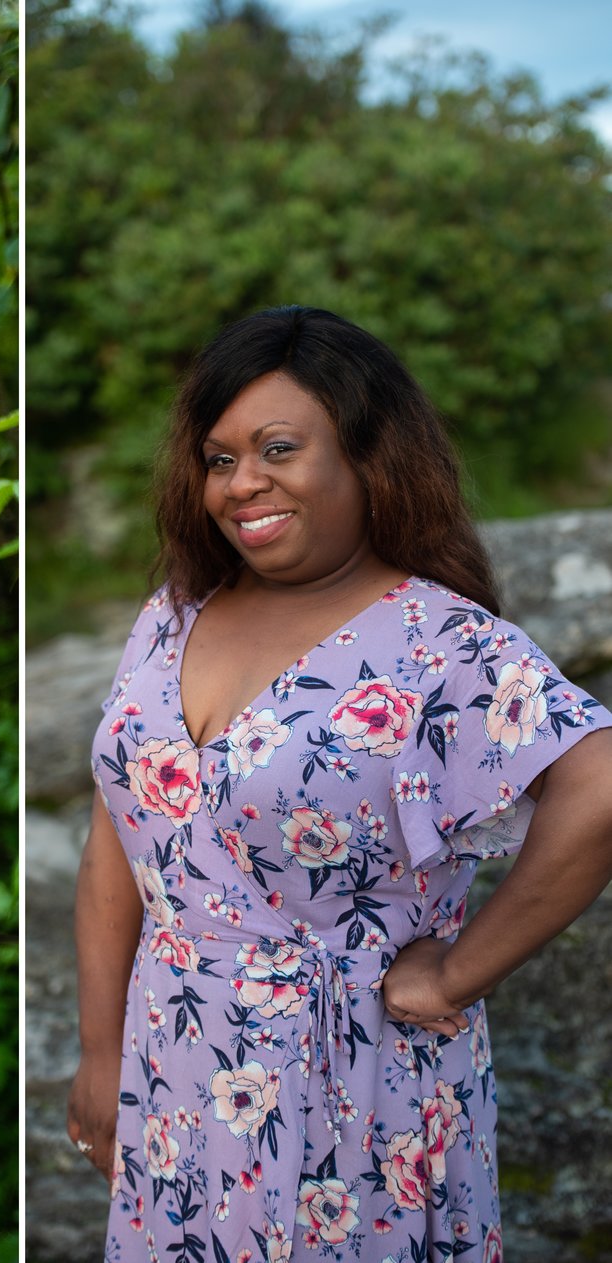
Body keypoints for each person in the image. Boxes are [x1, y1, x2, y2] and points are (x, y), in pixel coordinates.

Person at [64, 306, 612, 1261]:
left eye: (279, 447)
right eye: (220, 457)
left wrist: (452, 969)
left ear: (370, 458)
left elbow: (599, 788)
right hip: (175, 1071)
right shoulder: (170, 617)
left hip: (357, 1087)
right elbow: (123, 832)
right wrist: (101, 1050)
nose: (243, 483)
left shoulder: (442, 643)